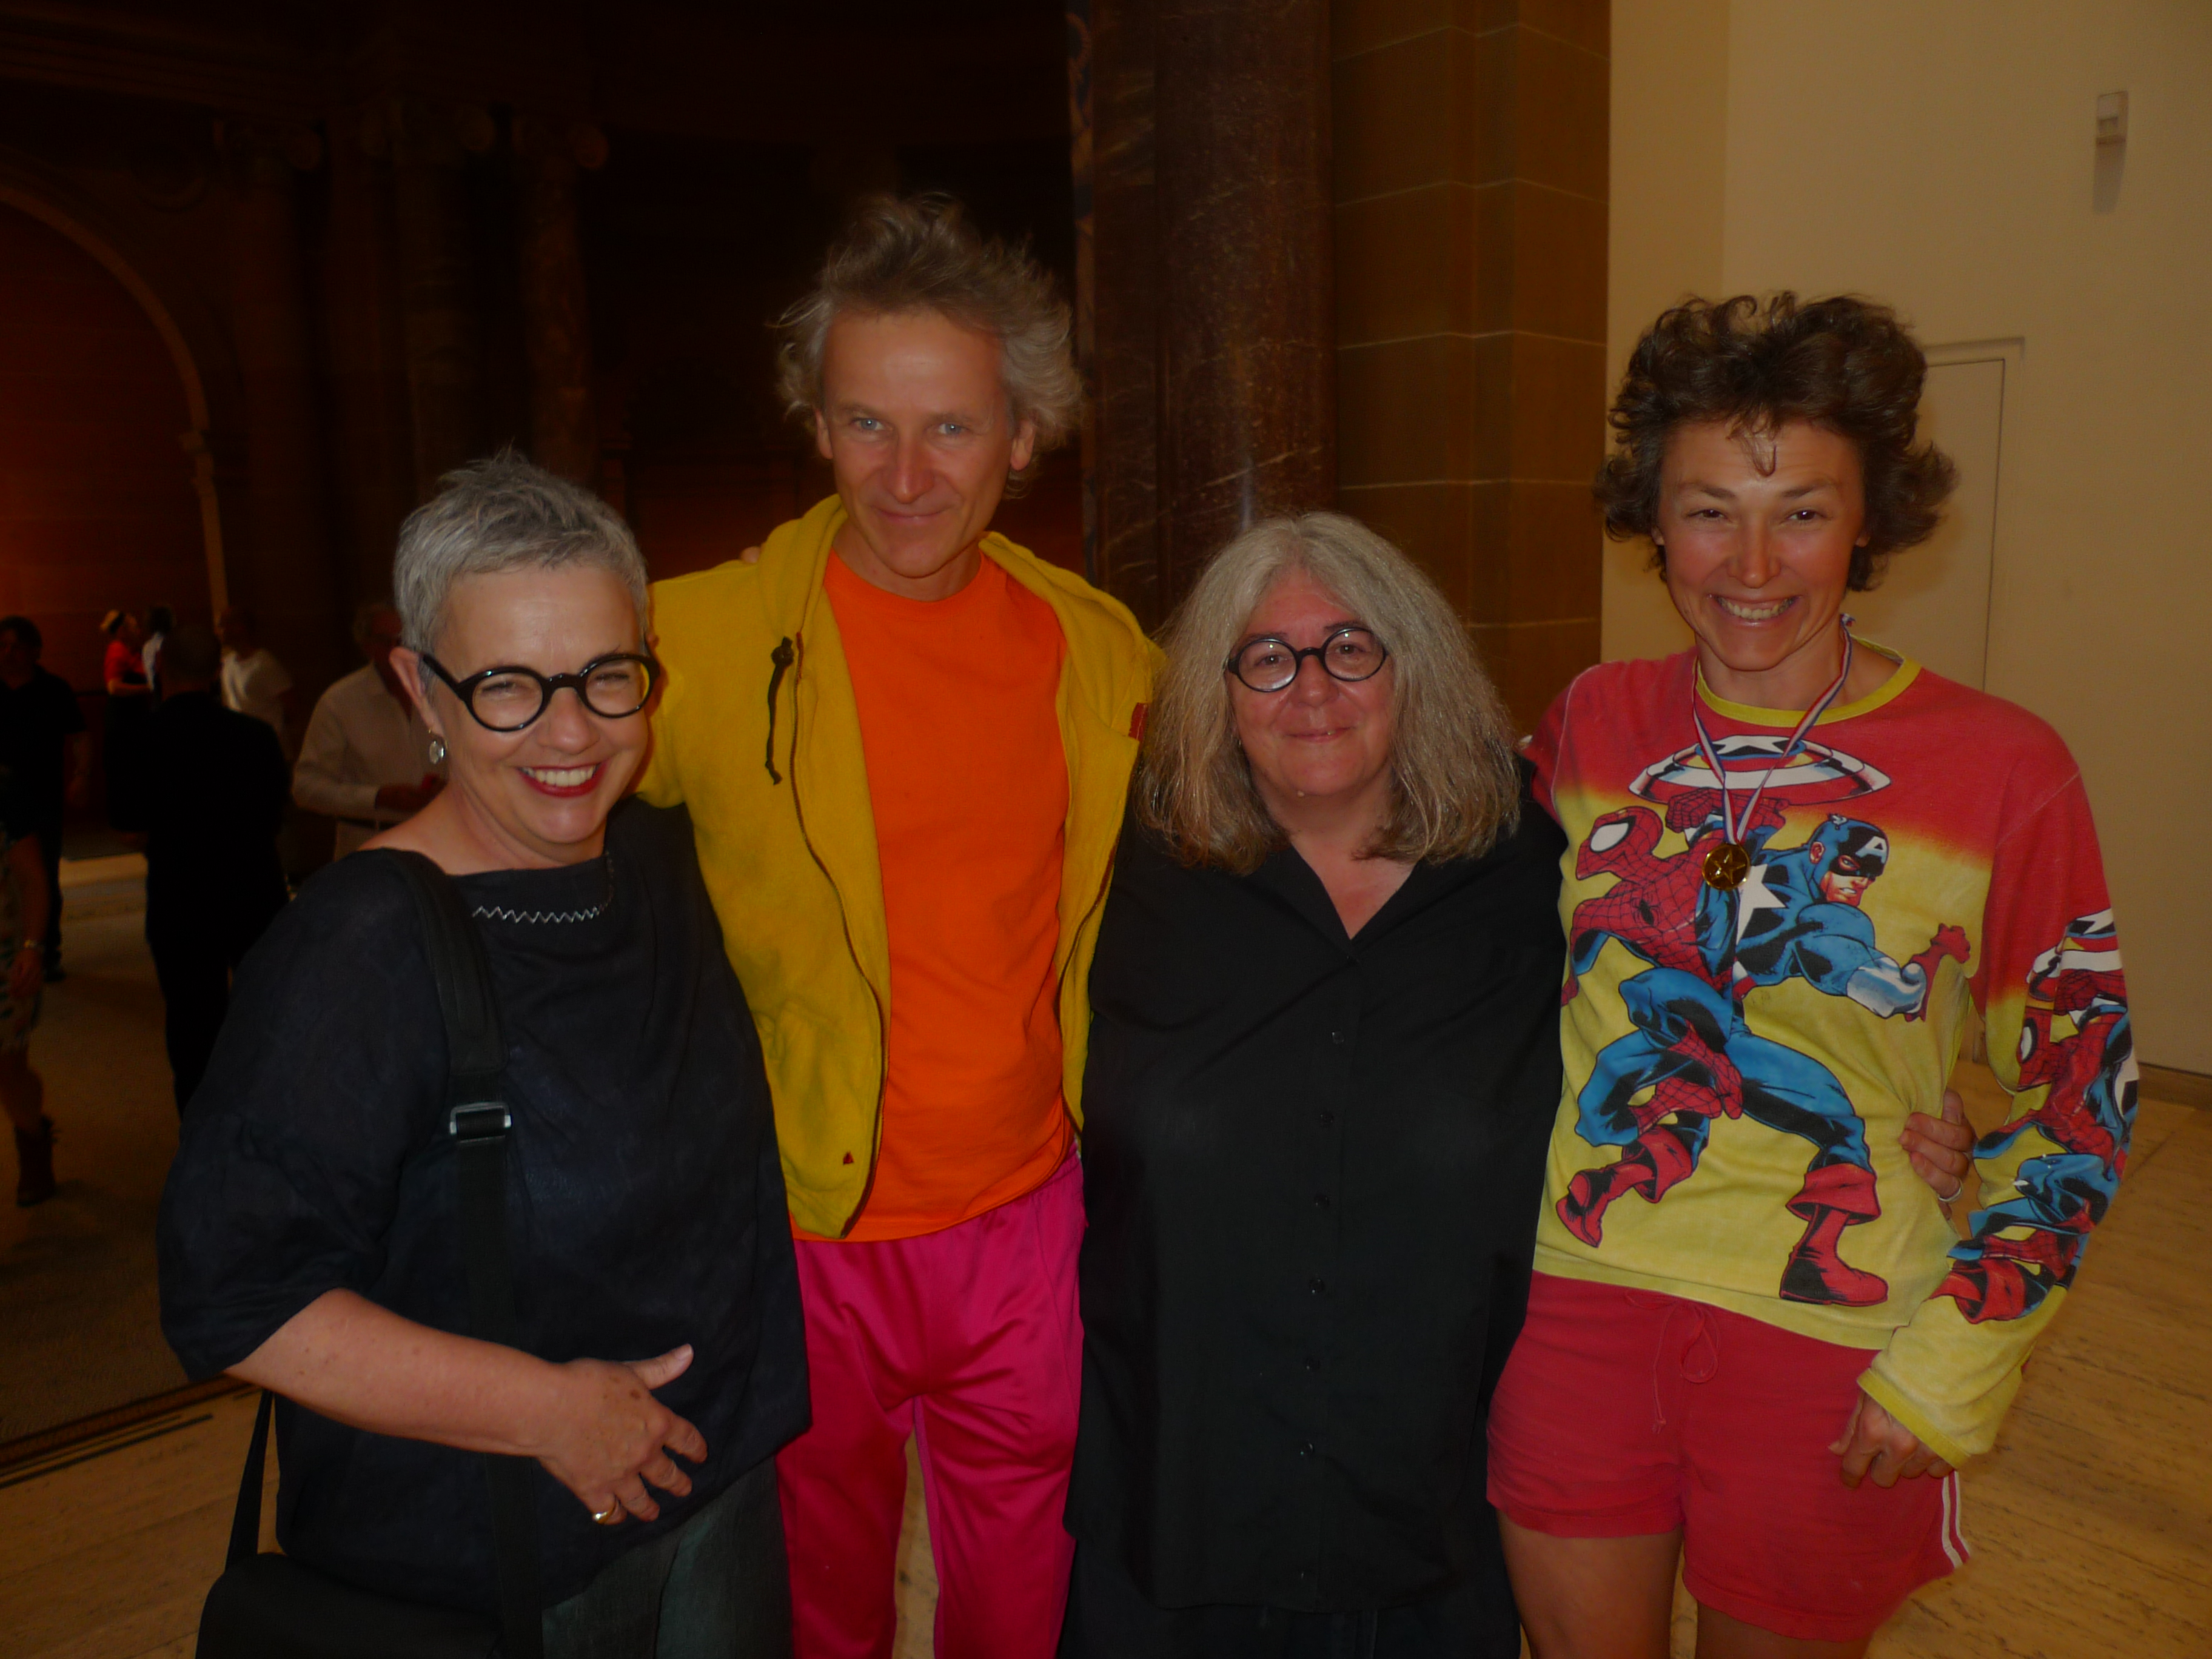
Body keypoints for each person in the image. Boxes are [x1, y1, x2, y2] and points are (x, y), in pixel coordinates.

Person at [1489, 294, 2133, 1658]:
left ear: (1869, 521)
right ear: (1653, 519)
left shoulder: (2001, 768)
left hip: (1830, 1332)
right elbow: (1467, 968)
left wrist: (1955, 1357)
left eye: (1801, 512)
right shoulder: (1593, 722)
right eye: (1708, 510)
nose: (1751, 563)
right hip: (1577, 1298)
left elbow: (2085, 1099)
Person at [158, 456, 808, 1654]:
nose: (571, 733)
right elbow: (233, 1294)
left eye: (606, 675)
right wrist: (544, 1411)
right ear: (421, 686)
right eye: (507, 683)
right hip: (502, 1555)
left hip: (718, 1494)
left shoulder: (661, 860)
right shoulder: (362, 947)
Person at [639, 192, 1153, 1659]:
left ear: (1025, 435)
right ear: (816, 425)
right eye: (867, 423)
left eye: (952, 428)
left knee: (1021, 1603)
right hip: (805, 1226)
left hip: (1029, 1219)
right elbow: (523, 806)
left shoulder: (1100, 651)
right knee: (817, 1604)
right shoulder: (696, 639)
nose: (908, 474)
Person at [1059, 514, 1562, 1656]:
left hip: (1426, 1512)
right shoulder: (1130, 864)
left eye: (1349, 647)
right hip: (1180, 1501)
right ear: (1218, 694)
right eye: (1267, 658)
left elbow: (1682, 1015)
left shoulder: (1530, 872)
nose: (1313, 690)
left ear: (1411, 666)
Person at [139, 622, 290, 1111]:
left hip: (180, 894)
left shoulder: (142, 737)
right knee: (265, 1008)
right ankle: (272, 1113)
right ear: (215, 671)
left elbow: (128, 825)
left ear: (160, 666)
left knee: (193, 1020)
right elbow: (276, 813)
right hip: (254, 889)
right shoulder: (255, 735)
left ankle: (201, 1124)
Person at [293, 599, 445, 859]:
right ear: (367, 646)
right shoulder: (341, 702)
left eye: (406, 640)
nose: (398, 650)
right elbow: (306, 788)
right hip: (372, 844)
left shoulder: (443, 693)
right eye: (385, 641)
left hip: (443, 839)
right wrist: (377, 798)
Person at [0, 615, 92, 979]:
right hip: (0, 798)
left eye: (17, 647)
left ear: (35, 651)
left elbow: (80, 735)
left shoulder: (54, 689)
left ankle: (45, 949)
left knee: (43, 875)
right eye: (2, 646)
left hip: (41, 797)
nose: (8, 654)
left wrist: (82, 776)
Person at [0, 761, 54, 1207]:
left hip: (3, 958)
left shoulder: (4, 788)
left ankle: (33, 1136)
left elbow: (33, 876)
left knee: (9, 1071)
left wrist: (33, 947)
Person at [218, 605, 300, 756]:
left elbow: (291, 707)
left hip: (268, 750)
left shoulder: (265, 665)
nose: (220, 630)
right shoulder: (227, 664)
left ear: (240, 627)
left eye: (223, 625)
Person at [99, 608, 153, 832]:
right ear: (122, 631)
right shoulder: (117, 650)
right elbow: (114, 687)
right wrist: (148, 689)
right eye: (134, 627)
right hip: (123, 723)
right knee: (126, 771)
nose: (139, 631)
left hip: (131, 720)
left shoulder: (131, 651)